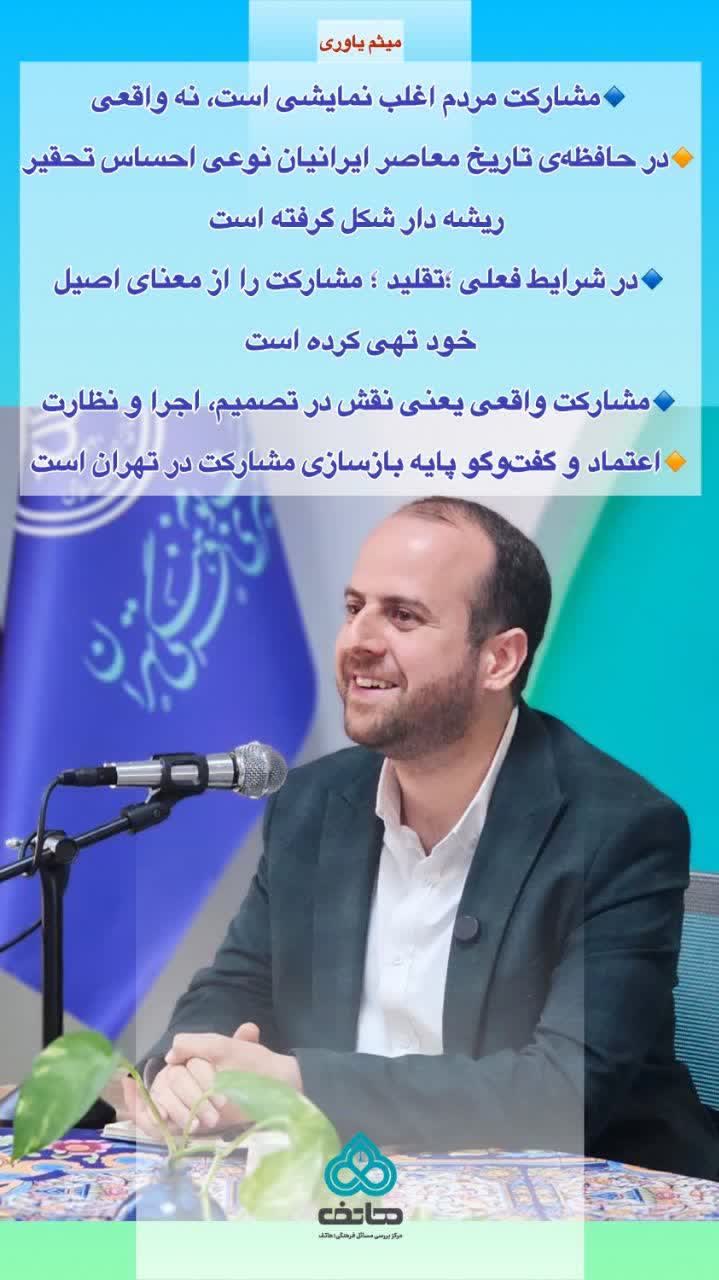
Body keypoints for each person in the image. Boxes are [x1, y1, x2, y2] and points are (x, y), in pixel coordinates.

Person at [123, 498, 719, 1179]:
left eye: (402, 616)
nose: (358, 640)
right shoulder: (311, 803)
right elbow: (239, 983)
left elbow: (565, 1092)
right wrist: (189, 1066)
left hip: (582, 1191)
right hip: (357, 1181)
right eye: (354, 608)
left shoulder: (618, 828)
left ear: (499, 659)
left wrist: (298, 1084)